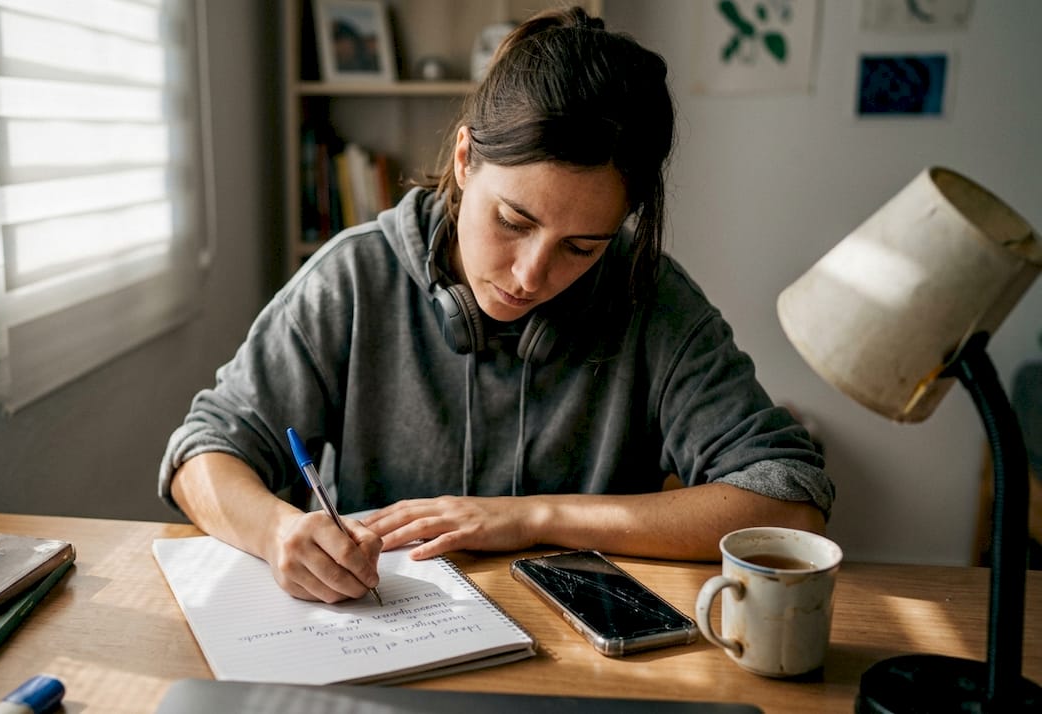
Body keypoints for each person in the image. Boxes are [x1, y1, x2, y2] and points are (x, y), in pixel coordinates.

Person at [158, 6, 833, 604]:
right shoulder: (353, 279)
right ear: (463, 159)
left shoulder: (652, 300)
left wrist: (528, 518)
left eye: (582, 247)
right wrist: (279, 530)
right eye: (512, 220)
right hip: (382, 648)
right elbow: (202, 455)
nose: (531, 275)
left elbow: (790, 505)